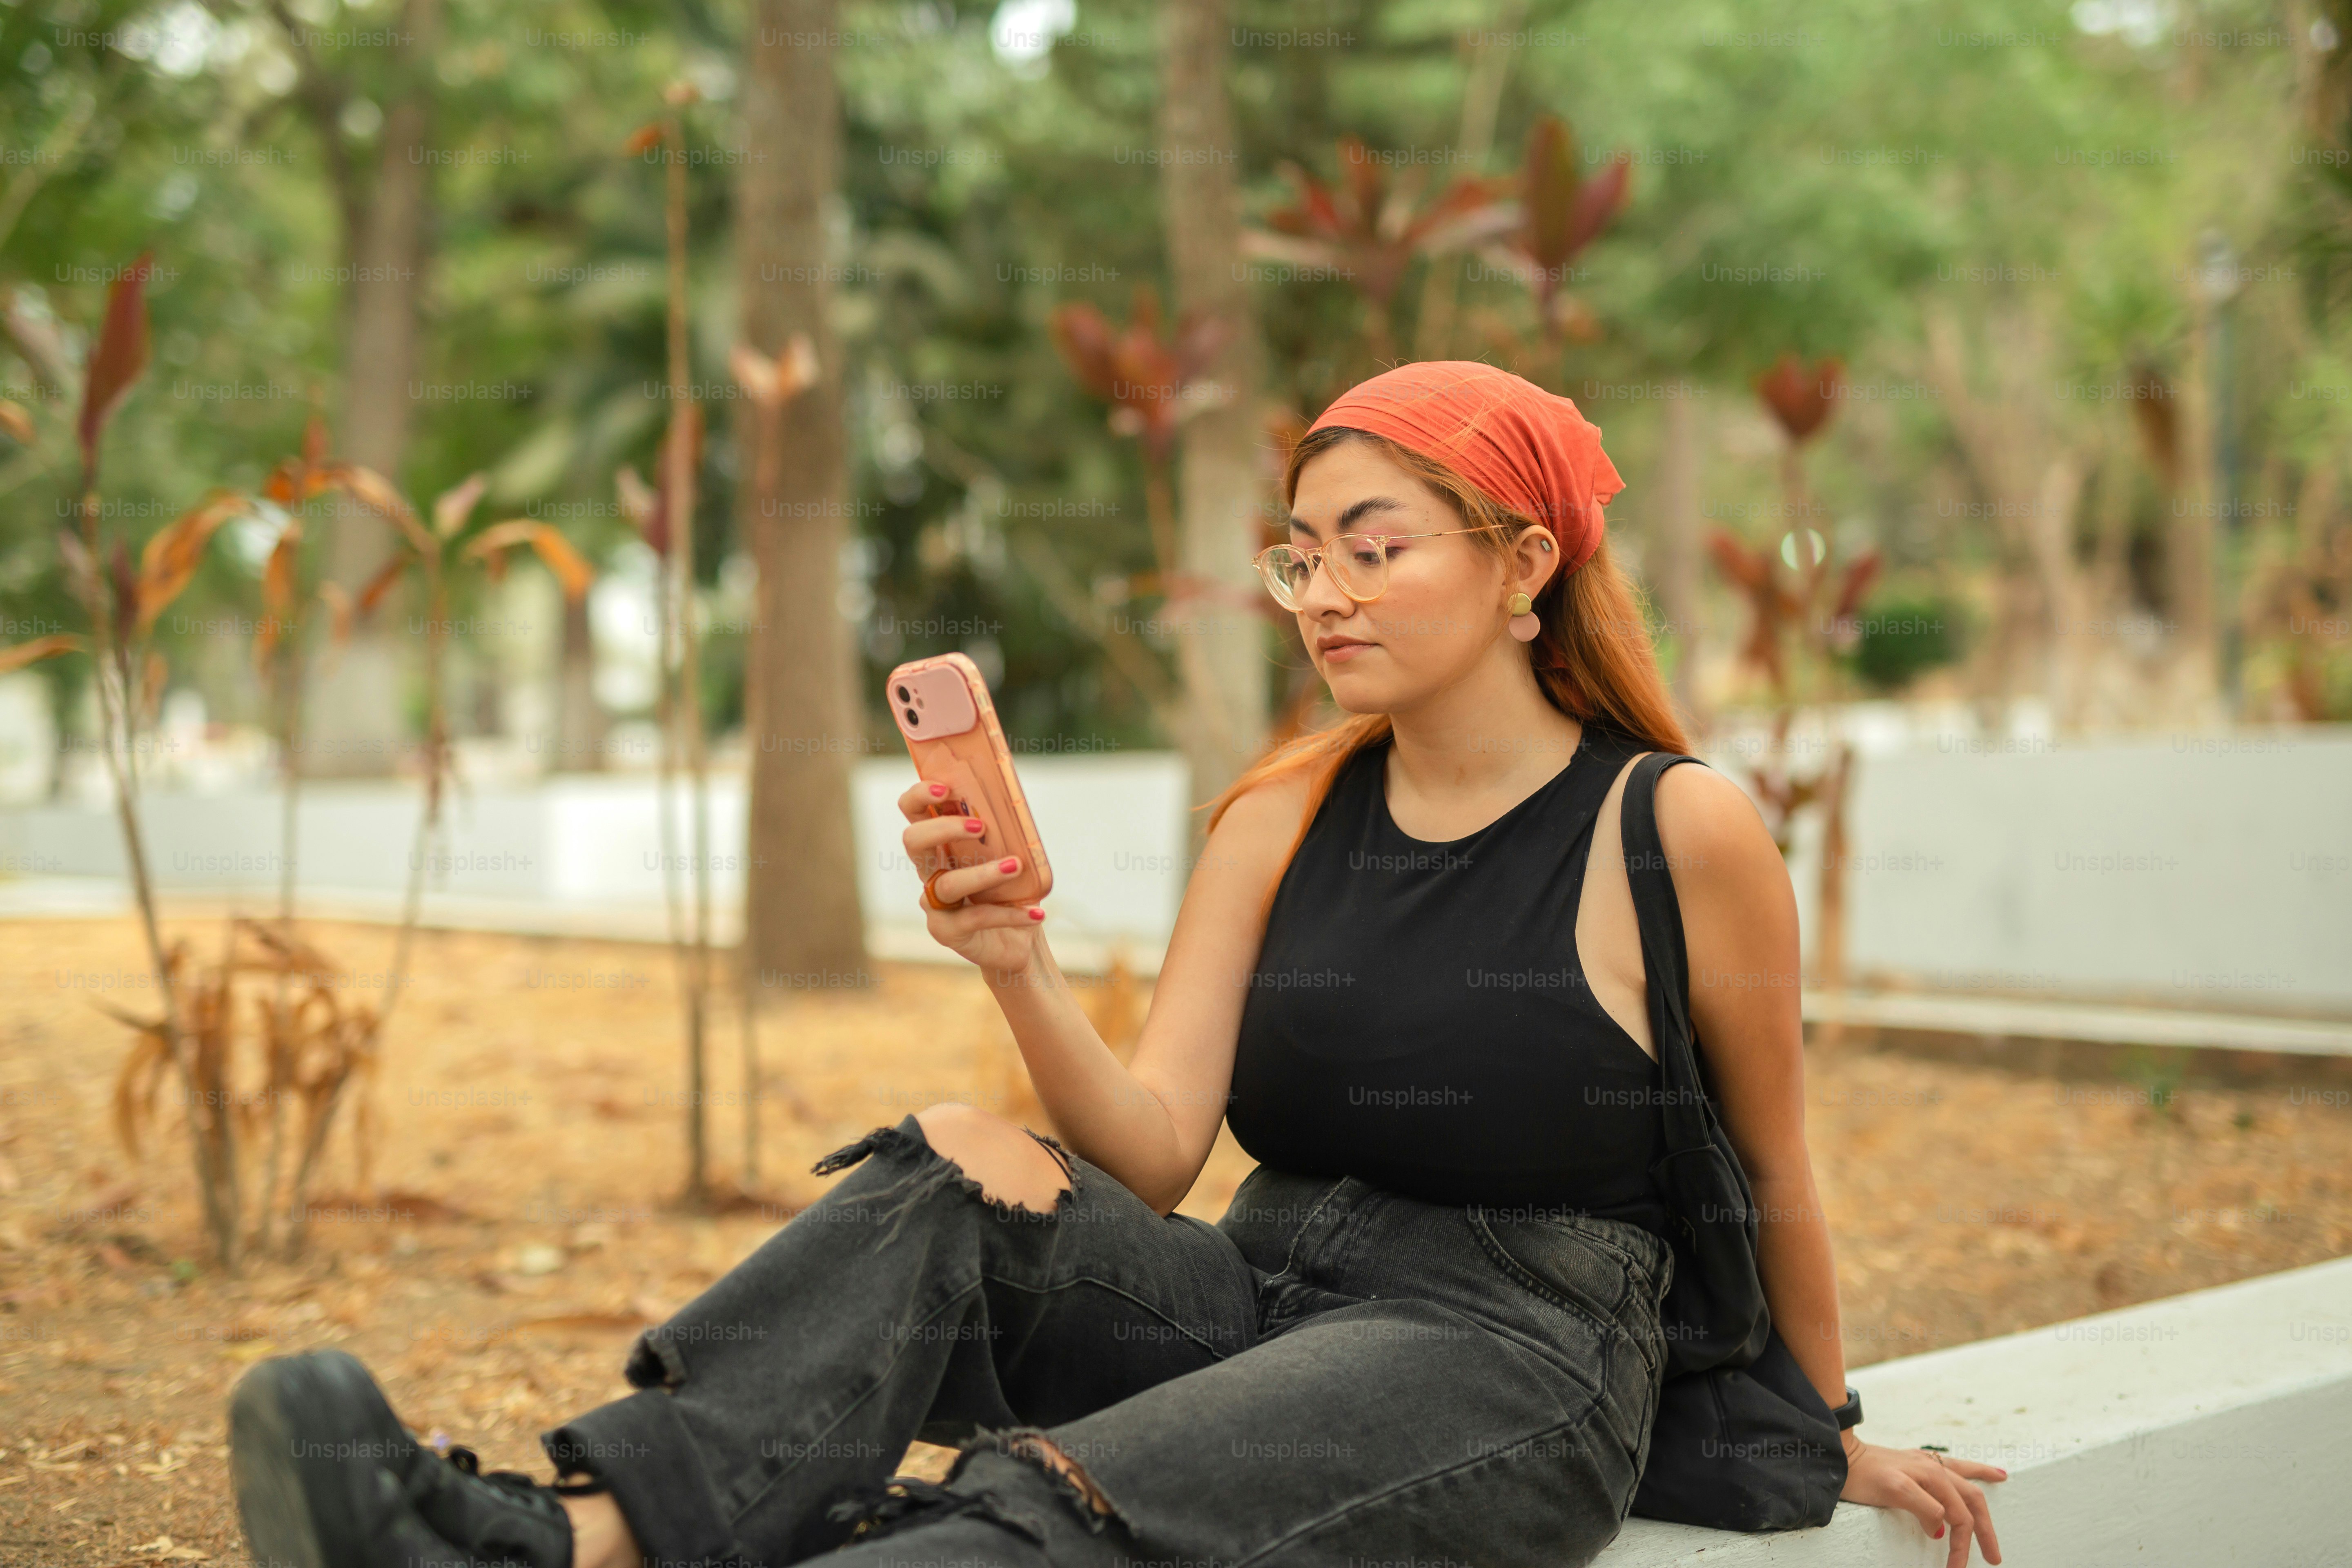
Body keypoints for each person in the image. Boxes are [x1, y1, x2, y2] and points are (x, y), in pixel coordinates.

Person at [227, 361, 2005, 1568]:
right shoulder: (1284, 815)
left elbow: (1770, 1163)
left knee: (1061, 1500)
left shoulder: (1670, 827)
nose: (1323, 595)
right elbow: (1155, 1150)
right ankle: (563, 1538)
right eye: (1301, 556)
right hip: (1260, 1292)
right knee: (942, 1170)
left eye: (1375, 549)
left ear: (1524, 562)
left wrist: (1817, 1425)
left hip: (1518, 1346)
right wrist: (1012, 963)